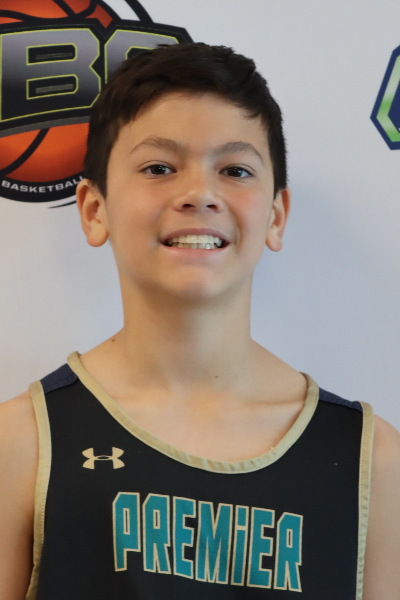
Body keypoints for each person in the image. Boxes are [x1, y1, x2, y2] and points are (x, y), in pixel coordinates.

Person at [0, 42, 399, 600]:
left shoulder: (372, 464)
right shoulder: (23, 444)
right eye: (158, 168)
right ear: (94, 209)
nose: (199, 194)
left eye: (234, 170)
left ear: (276, 216)